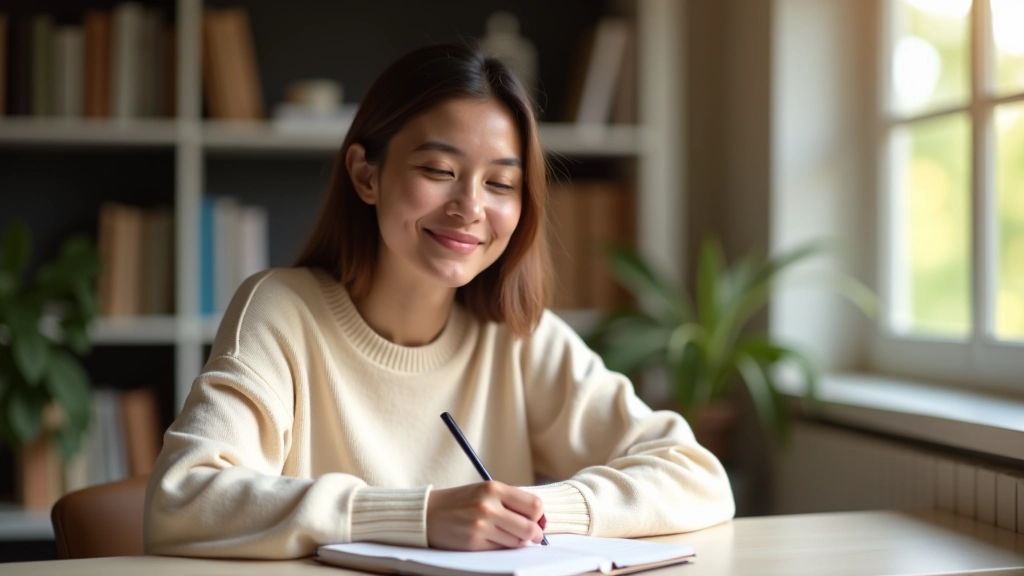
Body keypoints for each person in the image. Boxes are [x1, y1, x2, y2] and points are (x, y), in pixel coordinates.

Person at [144, 44, 734, 560]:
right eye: (438, 169)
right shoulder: (281, 311)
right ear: (365, 174)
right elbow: (183, 500)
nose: (470, 206)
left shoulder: (516, 335)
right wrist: (420, 518)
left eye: (500, 183)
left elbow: (698, 477)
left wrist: (530, 514)